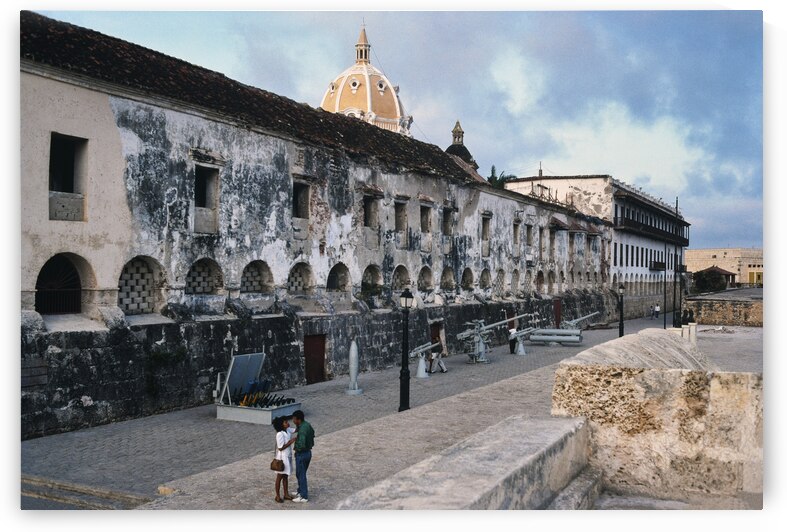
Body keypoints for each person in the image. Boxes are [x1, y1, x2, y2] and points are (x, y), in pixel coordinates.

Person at [291, 410, 315, 503]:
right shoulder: (307, 425)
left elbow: (302, 443)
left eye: (294, 419)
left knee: (301, 475)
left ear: (298, 419)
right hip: (308, 453)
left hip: (302, 454)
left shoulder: (302, 430)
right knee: (300, 473)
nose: (293, 421)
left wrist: (297, 449)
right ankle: (300, 491)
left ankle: (304, 496)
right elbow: (313, 433)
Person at [272, 416, 297, 503]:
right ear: (281, 425)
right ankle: (277, 495)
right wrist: (290, 442)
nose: (287, 423)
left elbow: (296, 430)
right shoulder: (280, 434)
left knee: (285, 476)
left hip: (288, 456)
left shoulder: (288, 430)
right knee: (279, 477)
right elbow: (280, 448)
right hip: (282, 458)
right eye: (285, 422)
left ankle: (286, 494)